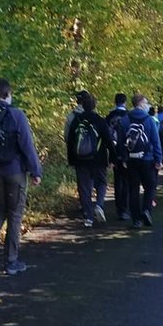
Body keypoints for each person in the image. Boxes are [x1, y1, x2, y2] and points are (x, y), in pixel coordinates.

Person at [0, 78, 43, 276]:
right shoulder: (16, 114)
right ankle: (11, 261)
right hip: (14, 172)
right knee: (15, 214)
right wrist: (35, 171)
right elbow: (27, 145)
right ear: (8, 94)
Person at [66, 92, 114, 227]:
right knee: (102, 182)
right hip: (99, 159)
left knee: (84, 188)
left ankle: (88, 216)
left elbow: (70, 141)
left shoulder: (76, 120)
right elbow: (108, 141)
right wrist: (113, 158)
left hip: (80, 160)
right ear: (94, 106)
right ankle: (99, 205)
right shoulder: (99, 120)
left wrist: (72, 160)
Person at [119, 94, 162, 228]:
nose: (148, 105)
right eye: (146, 102)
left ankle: (136, 219)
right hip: (147, 159)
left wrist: (123, 157)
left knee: (133, 189)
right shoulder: (149, 119)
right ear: (141, 104)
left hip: (131, 160)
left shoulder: (125, 119)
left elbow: (120, 142)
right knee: (150, 186)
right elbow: (156, 141)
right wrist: (158, 158)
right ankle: (146, 209)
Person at [105, 94, 130, 220]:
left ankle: (118, 207)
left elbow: (106, 135)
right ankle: (124, 209)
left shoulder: (109, 116)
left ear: (115, 102)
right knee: (126, 181)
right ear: (125, 102)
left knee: (117, 180)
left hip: (113, 152)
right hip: (126, 153)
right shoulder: (129, 116)